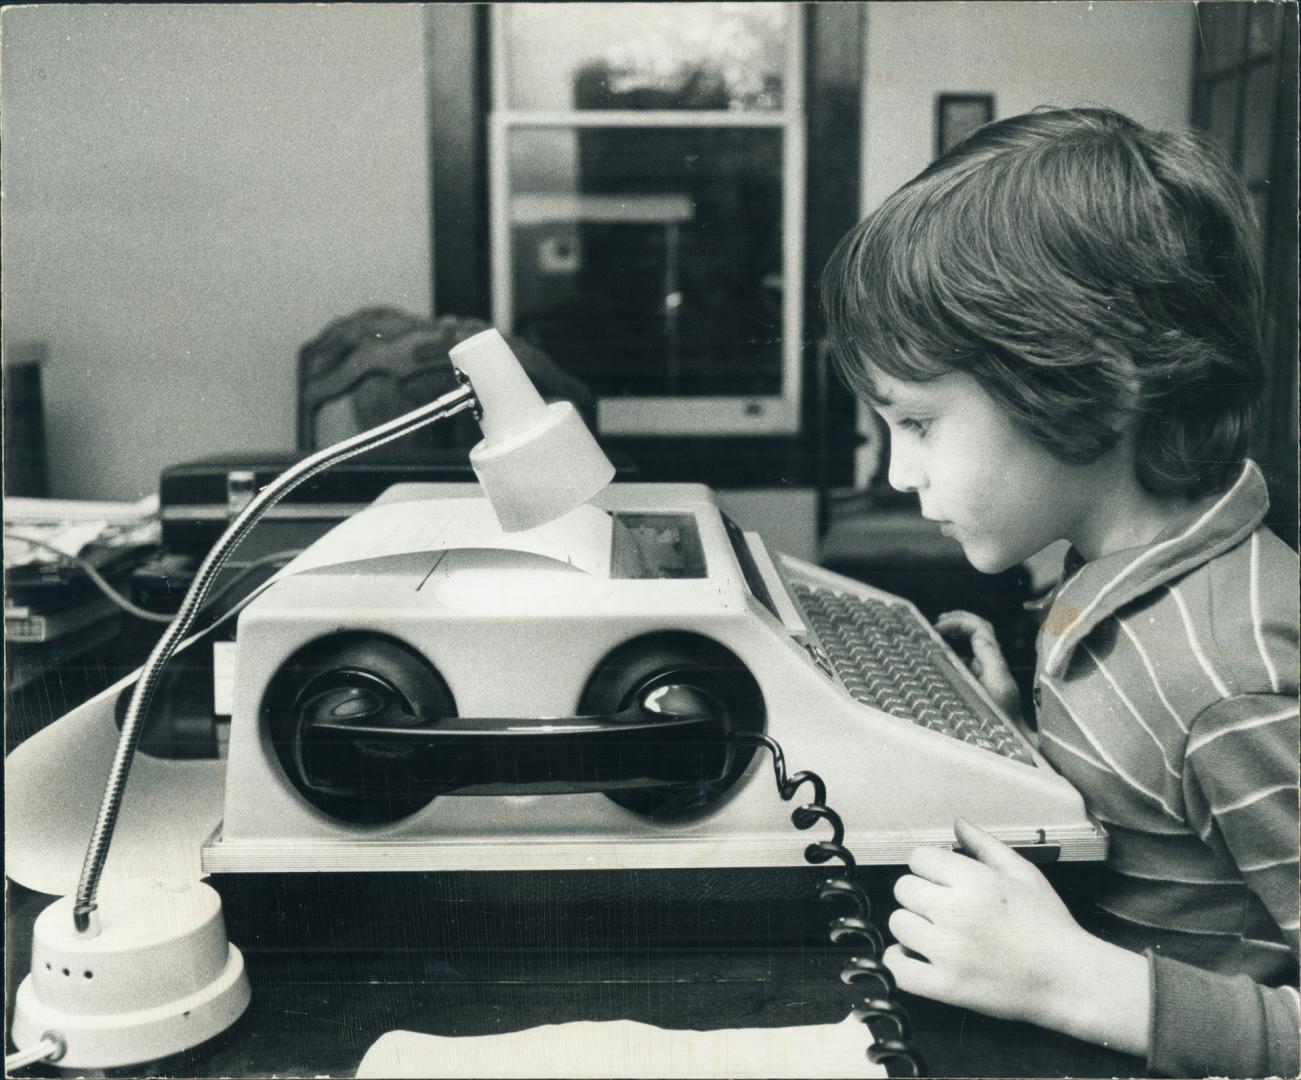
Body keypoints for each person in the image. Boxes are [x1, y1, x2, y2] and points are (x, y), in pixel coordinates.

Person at [820, 106, 1299, 1078]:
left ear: (1088, 381)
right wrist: (1025, 748)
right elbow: (1163, 824)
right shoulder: (1114, 568)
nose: (897, 474)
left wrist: (1066, 979)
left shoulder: (1232, 673)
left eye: (915, 423)